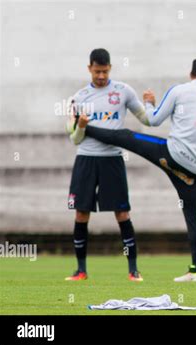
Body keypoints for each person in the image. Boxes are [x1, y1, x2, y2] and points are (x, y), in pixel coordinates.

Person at [75, 56, 196, 282]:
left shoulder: (179, 90)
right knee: (192, 216)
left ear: (191, 74)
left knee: (127, 137)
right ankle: (195, 270)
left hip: (172, 154)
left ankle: (85, 128)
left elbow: (153, 120)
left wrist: (149, 103)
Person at [65, 48, 149, 282]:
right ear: (89, 68)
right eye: (96, 71)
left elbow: (145, 119)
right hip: (86, 159)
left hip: (112, 159)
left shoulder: (123, 92)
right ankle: (81, 270)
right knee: (82, 212)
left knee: (122, 212)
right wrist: (81, 125)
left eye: (104, 71)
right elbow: (75, 139)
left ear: (110, 68)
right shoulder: (79, 97)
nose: (101, 76)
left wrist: (151, 105)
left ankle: (133, 270)